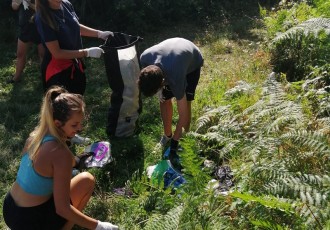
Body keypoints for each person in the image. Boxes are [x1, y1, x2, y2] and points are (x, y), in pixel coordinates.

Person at [2, 86, 118, 230]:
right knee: (86, 180)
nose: (80, 128)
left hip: (10, 208)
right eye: (74, 124)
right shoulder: (59, 152)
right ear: (58, 123)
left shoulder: (35, 136)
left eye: (80, 122)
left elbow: (64, 162)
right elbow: (62, 209)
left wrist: (76, 161)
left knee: (73, 174)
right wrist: (99, 226)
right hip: (29, 221)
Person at [138, 37, 204, 166]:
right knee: (164, 100)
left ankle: (181, 139)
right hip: (171, 55)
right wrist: (160, 91)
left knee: (186, 104)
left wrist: (175, 144)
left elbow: (183, 114)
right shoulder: (144, 58)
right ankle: (167, 135)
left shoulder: (176, 75)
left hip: (191, 61)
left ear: (163, 81)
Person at [35, 0, 113, 95]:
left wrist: (99, 34)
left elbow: (74, 25)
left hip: (75, 65)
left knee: (77, 101)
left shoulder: (66, 4)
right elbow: (57, 53)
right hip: (57, 72)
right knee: (62, 106)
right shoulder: (43, 17)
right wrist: (86, 52)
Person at [8, 0, 45, 83]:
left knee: (43, 54)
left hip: (40, 28)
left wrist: (29, 3)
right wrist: (18, 2)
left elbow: (43, 10)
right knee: (20, 54)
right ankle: (16, 77)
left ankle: (44, 77)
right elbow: (14, 6)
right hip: (25, 28)